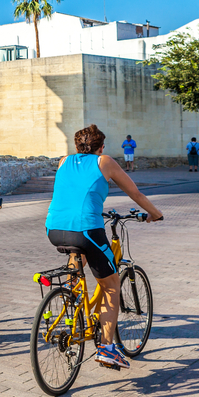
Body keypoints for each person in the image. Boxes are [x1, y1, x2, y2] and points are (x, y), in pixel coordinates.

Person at [45, 124, 162, 370]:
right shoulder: (104, 162)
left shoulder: (63, 161)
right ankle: (107, 347)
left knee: (77, 266)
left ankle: (73, 303)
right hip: (87, 229)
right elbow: (135, 194)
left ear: (76, 146)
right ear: (101, 147)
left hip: (54, 229)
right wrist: (155, 213)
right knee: (110, 286)